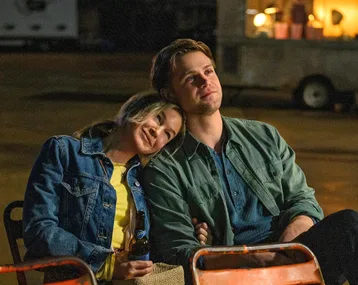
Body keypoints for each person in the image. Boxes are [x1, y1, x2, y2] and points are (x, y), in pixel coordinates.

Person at [141, 38, 358, 285]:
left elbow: (301, 199)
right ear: (170, 94)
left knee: (349, 225)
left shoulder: (265, 136)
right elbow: (178, 247)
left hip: (292, 252)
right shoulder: (165, 168)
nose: (206, 81)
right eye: (191, 78)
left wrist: (293, 236)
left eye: (208, 71)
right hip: (233, 269)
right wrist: (245, 259)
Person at [23, 92, 210, 284]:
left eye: (167, 134)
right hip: (76, 279)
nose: (157, 131)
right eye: (158, 118)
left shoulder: (146, 179)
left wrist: (184, 232)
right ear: (136, 109)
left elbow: (152, 247)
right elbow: (39, 230)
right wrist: (107, 265)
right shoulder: (65, 152)